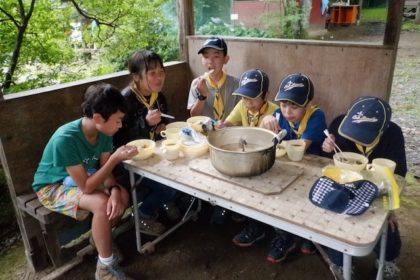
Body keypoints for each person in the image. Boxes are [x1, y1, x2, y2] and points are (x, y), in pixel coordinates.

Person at [32, 83, 137, 280]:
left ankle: (99, 240)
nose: (120, 125)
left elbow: (106, 174)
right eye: (118, 121)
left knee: (121, 196)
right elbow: (87, 186)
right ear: (98, 118)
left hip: (78, 178)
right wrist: (115, 158)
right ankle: (105, 268)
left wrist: (114, 189)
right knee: (103, 204)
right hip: (52, 187)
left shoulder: (104, 133)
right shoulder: (66, 139)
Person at [232, 73, 327, 264]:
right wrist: (265, 121)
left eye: (294, 106)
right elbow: (263, 140)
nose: (287, 111)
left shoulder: (316, 115)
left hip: (311, 172)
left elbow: (301, 146)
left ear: (308, 103)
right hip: (287, 169)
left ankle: (292, 236)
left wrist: (272, 126)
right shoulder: (277, 114)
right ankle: (259, 226)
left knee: (291, 200)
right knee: (260, 186)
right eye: (283, 105)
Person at [322, 96, 406, 279]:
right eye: (354, 130)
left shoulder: (393, 134)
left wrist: (390, 209)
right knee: (337, 227)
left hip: (379, 188)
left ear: (383, 130)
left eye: (364, 134)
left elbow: (399, 175)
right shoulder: (339, 125)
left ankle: (386, 263)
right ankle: (341, 264)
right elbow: (329, 165)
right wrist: (326, 148)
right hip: (345, 186)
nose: (356, 137)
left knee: (386, 227)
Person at [113, 50, 179, 236]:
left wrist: (162, 127)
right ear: (136, 77)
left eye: (161, 72)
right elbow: (118, 139)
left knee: (181, 172)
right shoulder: (124, 101)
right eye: (152, 73)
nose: (159, 77)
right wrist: (145, 124)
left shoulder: (159, 97)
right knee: (169, 186)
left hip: (153, 155)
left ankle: (164, 199)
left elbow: (165, 124)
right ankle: (142, 214)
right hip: (128, 162)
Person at [187, 36, 240, 121]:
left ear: (226, 59)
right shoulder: (196, 84)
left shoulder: (236, 84)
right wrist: (202, 96)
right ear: (201, 59)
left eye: (216, 56)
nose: (210, 61)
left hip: (230, 131)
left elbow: (242, 113)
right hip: (205, 131)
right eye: (206, 56)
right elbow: (194, 116)